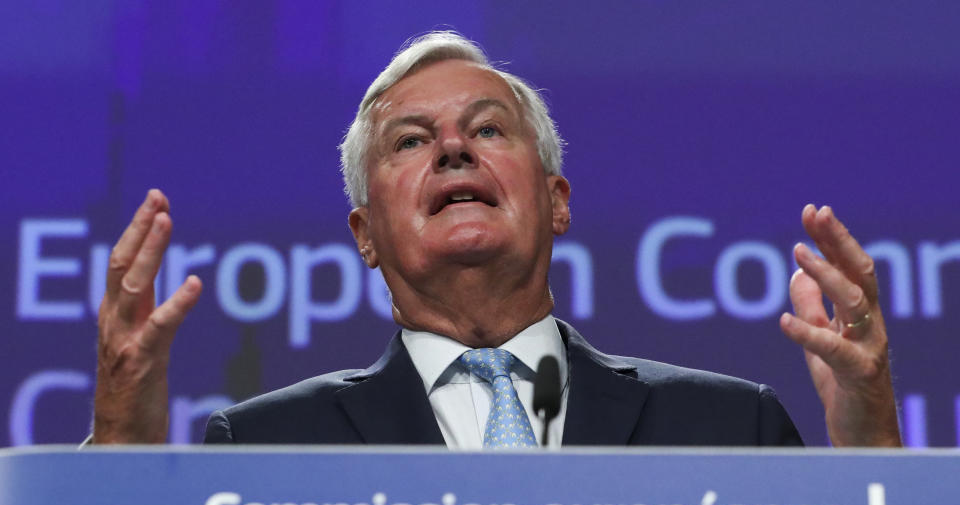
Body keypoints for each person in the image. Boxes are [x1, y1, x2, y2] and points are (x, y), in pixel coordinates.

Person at [91, 32, 901, 448]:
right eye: (411, 142)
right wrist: (121, 441)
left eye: (487, 128)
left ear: (555, 202)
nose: (452, 148)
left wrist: (872, 449)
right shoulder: (267, 448)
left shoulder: (729, 428)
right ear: (364, 235)